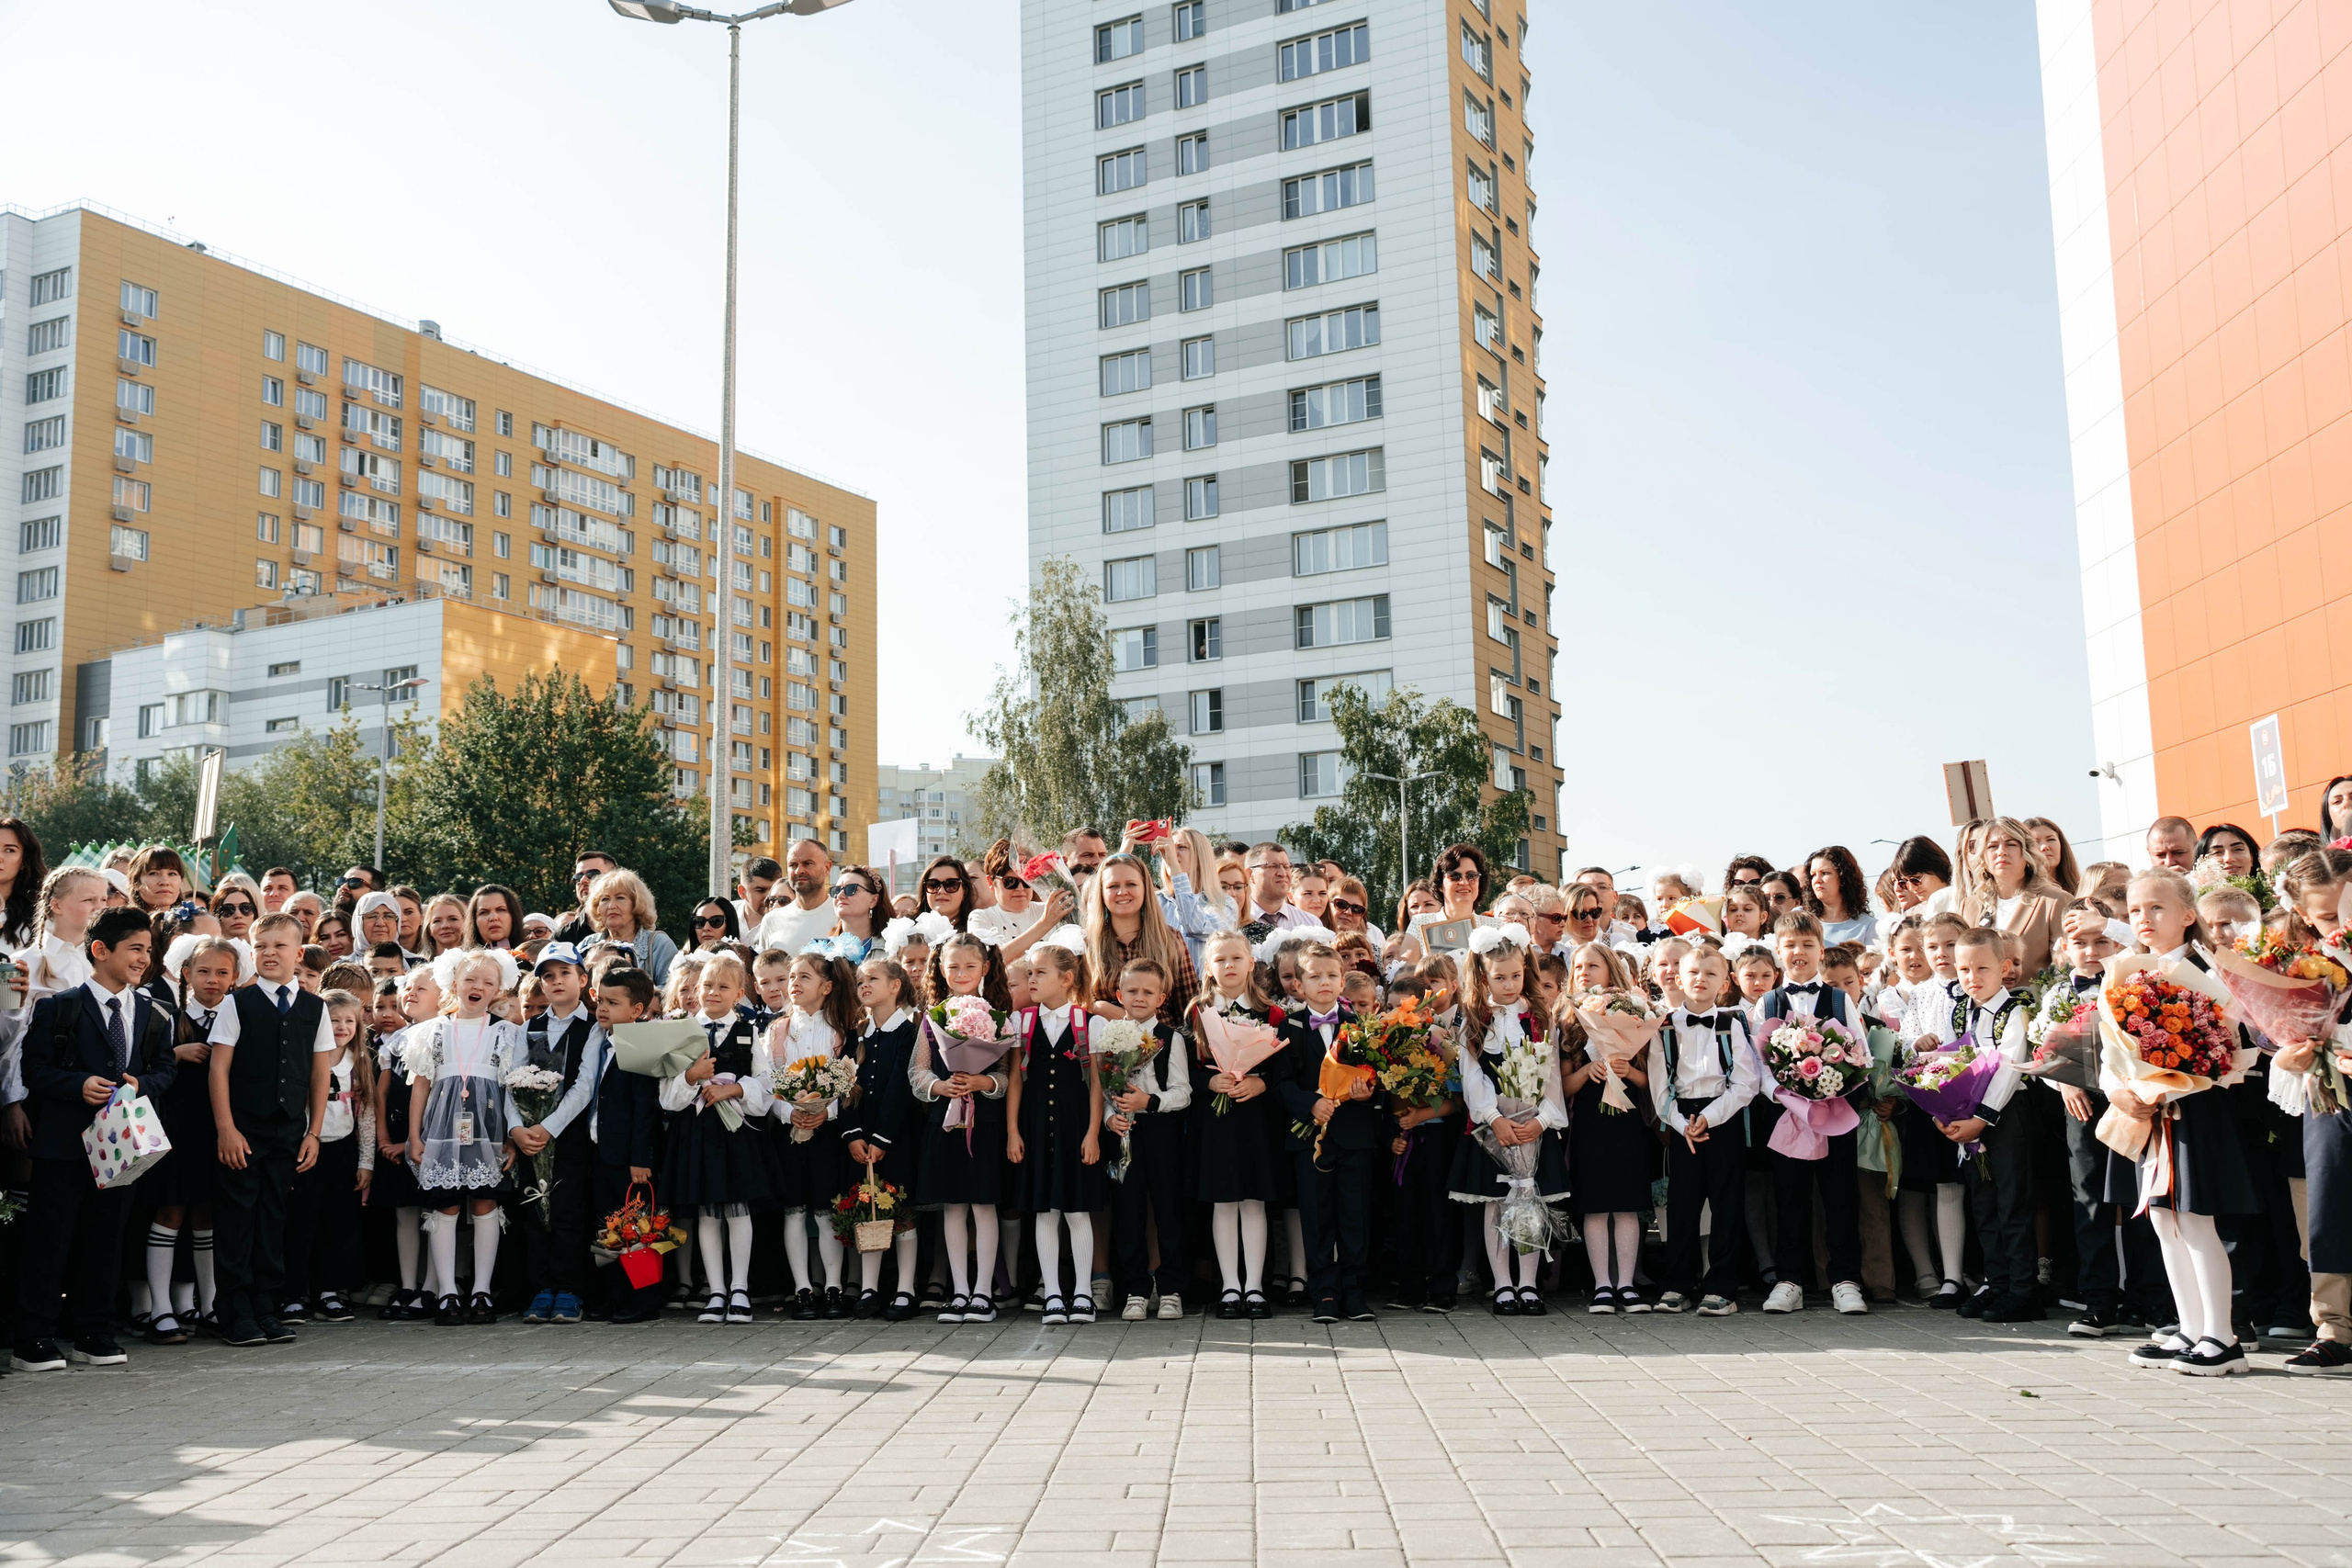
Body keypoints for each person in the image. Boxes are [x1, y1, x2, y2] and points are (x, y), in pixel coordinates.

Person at [10, 907, 175, 1372]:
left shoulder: (152, 1011)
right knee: (50, 1239)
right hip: (63, 1145)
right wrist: (76, 1085)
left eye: (148, 949)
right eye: (135, 949)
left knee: (106, 1239)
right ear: (101, 950)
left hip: (122, 1147)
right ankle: (34, 1337)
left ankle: (94, 1331)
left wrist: (143, 1085)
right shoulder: (59, 1006)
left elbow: (165, 1068)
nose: (143, 958)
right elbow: (34, 1070)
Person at [2109, 868, 2258, 1375]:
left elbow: (2231, 1044)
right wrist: (2124, 1089)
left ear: (2187, 915)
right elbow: (2111, 1048)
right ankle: (2190, 1327)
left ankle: (2223, 1335)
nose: (2144, 919)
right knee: (2162, 1219)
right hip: (2154, 1113)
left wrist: (2188, 1072)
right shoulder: (2127, 972)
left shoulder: (2207, 972)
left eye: (2156, 908)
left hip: (2195, 1111)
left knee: (2196, 1220)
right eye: (2134, 911)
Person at [207, 912, 336, 1349]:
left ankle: (267, 1306)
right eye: (261, 946)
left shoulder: (315, 1007)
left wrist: (313, 1132)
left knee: (273, 1219)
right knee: (237, 1220)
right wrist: (226, 1128)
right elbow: (219, 1067)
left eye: (279, 946)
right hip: (242, 1130)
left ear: (298, 954)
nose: (269, 953)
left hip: (288, 1133)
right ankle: (235, 1313)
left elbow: (321, 1075)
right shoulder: (236, 1002)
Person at [1447, 924, 1567, 1316]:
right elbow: (1472, 1076)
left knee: (1529, 1199)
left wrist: (1544, 1120)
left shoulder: (1539, 1018)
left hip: (1533, 1125)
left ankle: (1529, 1284)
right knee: (1497, 1204)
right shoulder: (1475, 1018)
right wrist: (1494, 1118)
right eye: (1500, 977)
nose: (1510, 984)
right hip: (1492, 1131)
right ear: (1484, 976)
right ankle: (1502, 1284)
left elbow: (1551, 1075)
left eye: (1516, 975)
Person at [1756, 908, 1870, 1316]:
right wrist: (1785, 1097)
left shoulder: (1840, 999)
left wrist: (1835, 1085)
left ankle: (1845, 1280)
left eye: (1807, 945)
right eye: (1790, 946)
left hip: (1835, 1116)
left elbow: (1861, 1054)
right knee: (1790, 1198)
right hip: (1788, 1118)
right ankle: (1790, 1281)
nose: (1798, 952)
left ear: (1821, 951)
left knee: (1840, 1197)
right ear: (1778, 951)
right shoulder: (1767, 1002)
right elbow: (1758, 1064)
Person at [661, 950, 781, 1325]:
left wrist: (735, 1090)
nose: (712, 992)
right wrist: (692, 1077)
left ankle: (740, 1288)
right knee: (707, 1212)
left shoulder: (749, 1033)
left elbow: (767, 1086)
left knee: (738, 1210)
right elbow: (667, 1096)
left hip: (736, 1134)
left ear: (739, 993)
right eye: (707, 985)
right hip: (696, 1133)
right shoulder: (680, 1032)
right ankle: (715, 1290)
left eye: (723, 987)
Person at [2268, 849, 2352, 1374]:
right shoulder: (2295, 964)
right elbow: (2270, 1030)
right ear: (2302, 916)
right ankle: (2334, 1326)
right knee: (2330, 1201)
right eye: (2326, 919)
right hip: (2330, 1094)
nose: (2342, 927)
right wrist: (2287, 1052)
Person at [1929, 928, 2038, 1321]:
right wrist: (1947, 1111)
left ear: (2005, 967)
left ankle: (2024, 1289)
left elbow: (2009, 1068)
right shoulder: (1961, 1010)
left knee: (2012, 1202)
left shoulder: (2016, 1009)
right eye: (1964, 970)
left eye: (1982, 968)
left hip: (2006, 1115)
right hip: (1967, 1116)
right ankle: (1997, 1281)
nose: (1972, 977)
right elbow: (1949, 1061)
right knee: (1984, 1203)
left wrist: (1980, 1119)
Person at [1648, 943, 1758, 1316]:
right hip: (1681, 1123)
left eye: (1710, 974)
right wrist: (1682, 1125)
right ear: (1678, 978)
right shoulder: (1663, 1027)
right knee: (1682, 1206)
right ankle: (1677, 1284)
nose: (1701, 979)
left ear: (1724, 983)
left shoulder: (1732, 1023)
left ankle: (1721, 1287)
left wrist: (1708, 1118)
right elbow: (1659, 1088)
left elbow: (1746, 1084)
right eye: (1693, 972)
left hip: (1721, 1119)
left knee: (1726, 1205)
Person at [141, 934, 241, 1342]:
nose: (212, 980)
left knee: (207, 1215)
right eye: (203, 971)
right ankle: (160, 1309)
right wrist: (177, 1054)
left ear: (235, 977)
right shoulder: (167, 1015)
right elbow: (144, 1065)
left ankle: (211, 1304)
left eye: (222, 973)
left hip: (219, 1132)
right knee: (170, 1212)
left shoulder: (238, 1016)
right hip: (175, 1130)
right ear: (186, 973)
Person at [913, 931, 1015, 1323]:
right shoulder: (931, 1016)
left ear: (985, 968)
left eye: (970, 966)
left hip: (984, 1123)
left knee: (984, 1205)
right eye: (953, 966)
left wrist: (983, 1083)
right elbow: (917, 1069)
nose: (961, 973)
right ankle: (959, 1291)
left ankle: (983, 1293)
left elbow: (1005, 1076)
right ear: (940, 967)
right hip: (945, 1121)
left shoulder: (999, 1015)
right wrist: (940, 1086)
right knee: (952, 1207)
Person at [1276, 941, 1379, 1324]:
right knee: (1316, 1217)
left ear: (1342, 981)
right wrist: (1309, 1103)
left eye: (1331, 975)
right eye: (1314, 976)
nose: (1324, 982)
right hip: (1309, 1137)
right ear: (1299, 985)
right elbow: (1281, 1083)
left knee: (1354, 1214)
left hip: (1354, 1135)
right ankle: (1324, 1293)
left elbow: (1374, 1077)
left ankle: (1354, 1292)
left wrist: (1366, 1092)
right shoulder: (1289, 1027)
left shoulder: (1359, 1027)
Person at [1008, 939, 1106, 1325]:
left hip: (1074, 1125)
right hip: (1034, 1126)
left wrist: (1093, 1133)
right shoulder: (1023, 1021)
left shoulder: (1088, 1022)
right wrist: (1013, 1131)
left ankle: (1082, 1292)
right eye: (1029, 973)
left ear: (1066, 979)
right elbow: (1016, 1079)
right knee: (1044, 1213)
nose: (1031, 979)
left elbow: (1096, 1084)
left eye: (1039, 973)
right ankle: (1052, 1293)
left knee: (1077, 1211)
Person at [1190, 928, 1284, 1319]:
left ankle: (1255, 1286)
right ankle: (1230, 1285)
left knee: (1254, 1201)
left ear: (1251, 963)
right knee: (1224, 1202)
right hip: (1216, 1119)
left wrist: (1262, 1082)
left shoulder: (1273, 1013)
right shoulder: (1198, 1012)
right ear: (1209, 968)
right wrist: (1209, 1080)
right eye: (1220, 959)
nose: (1228, 965)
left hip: (1256, 1120)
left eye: (1236, 958)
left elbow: (1284, 1069)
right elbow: (1187, 1069)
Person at [770, 952, 863, 1321]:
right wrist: (786, 1111)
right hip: (788, 1131)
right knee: (794, 1212)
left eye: (804, 977)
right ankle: (803, 1289)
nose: (793, 983)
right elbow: (768, 1080)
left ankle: (834, 1287)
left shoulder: (840, 1031)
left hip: (828, 1133)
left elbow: (849, 1082)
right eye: (791, 976)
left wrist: (828, 1111)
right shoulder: (778, 1030)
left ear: (826, 987)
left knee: (826, 1213)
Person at [1563, 942, 1653, 1313]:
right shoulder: (1568, 1021)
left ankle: (1627, 1284)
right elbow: (1563, 1086)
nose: (1584, 971)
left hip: (1628, 1120)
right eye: (1578, 966)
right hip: (1589, 1121)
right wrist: (1587, 1070)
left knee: (1627, 1205)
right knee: (1596, 1205)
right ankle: (1602, 1284)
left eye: (1593, 965)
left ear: (1612, 970)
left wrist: (1627, 1070)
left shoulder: (1634, 1013)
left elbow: (1652, 1081)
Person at [511, 944, 598, 1325]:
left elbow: (584, 1085)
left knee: (568, 1213)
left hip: (569, 1137)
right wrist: (517, 1129)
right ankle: (540, 1288)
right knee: (535, 1212)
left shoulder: (593, 1027)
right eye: (548, 976)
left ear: (582, 979)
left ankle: (570, 1289)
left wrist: (549, 1127)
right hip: (530, 1138)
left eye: (565, 973)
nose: (557, 981)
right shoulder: (528, 1028)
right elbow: (510, 1082)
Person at [1101, 956, 1191, 1321]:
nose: (1139, 997)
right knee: (1127, 1212)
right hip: (1124, 1133)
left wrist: (1149, 1102)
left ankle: (1170, 1289)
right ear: (1119, 994)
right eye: (1132, 990)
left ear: (1161, 998)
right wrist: (1110, 1119)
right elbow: (1103, 1092)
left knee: (1168, 1211)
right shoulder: (1108, 1036)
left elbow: (1184, 1092)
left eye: (1148, 992)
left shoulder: (1171, 1038)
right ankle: (1135, 1290)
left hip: (1162, 1132)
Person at [281, 988, 374, 1326]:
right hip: (308, 1148)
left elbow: (366, 1116)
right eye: (334, 1020)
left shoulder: (360, 1062)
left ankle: (330, 1292)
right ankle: (294, 1293)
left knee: (338, 1224)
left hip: (342, 1150)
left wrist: (366, 1163)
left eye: (349, 1020)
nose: (342, 1026)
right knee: (301, 1222)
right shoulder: (307, 1057)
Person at [842, 957, 922, 1320]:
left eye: (873, 978)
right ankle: (870, 1287)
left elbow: (900, 1089)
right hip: (864, 1143)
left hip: (897, 1138)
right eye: (861, 980)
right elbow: (846, 1087)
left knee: (900, 1211)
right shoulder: (857, 1034)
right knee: (868, 1208)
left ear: (895, 986)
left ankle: (906, 1288)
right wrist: (853, 1135)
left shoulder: (908, 1032)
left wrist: (881, 1137)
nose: (864, 985)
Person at [1965, 817, 2070, 976]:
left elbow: (2066, 964)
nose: (2002, 852)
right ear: (1983, 859)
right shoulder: (1971, 906)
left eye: (2011, 844)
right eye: (1992, 847)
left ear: (2028, 852)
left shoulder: (2055, 901)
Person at [968, 841, 1070, 964]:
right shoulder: (981, 917)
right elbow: (990, 962)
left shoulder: (1050, 911)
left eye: (1027, 881)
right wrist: (1045, 923)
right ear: (991, 882)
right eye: (1010, 882)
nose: (1020, 888)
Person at [581, 869, 677, 987]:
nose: (611, 906)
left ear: (637, 903)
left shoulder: (658, 944)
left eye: (620, 898)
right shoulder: (587, 944)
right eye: (605, 899)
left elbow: (670, 991)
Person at [755, 839, 837, 954]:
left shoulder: (843, 915)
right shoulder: (772, 920)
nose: (799, 871)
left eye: (807, 864)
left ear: (827, 868)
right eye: (793, 865)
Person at [807, 864, 891, 966]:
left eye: (851, 889)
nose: (840, 896)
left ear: (873, 900)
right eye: (836, 890)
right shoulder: (819, 951)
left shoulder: (894, 948)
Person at [1803, 847, 1876, 947]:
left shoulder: (1869, 926)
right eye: (1813, 875)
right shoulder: (1800, 919)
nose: (1817, 880)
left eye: (1825, 873)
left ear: (1843, 877)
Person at [1238, 843, 1314, 940]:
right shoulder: (1234, 925)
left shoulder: (1310, 924)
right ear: (1250, 874)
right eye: (1273, 866)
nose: (1282, 873)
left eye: (1286, 866)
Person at [466, 885, 525, 951]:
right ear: (474, 920)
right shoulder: (461, 959)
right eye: (484, 912)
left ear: (513, 915)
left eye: (501, 910)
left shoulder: (534, 956)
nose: (493, 918)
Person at [734, 855, 783, 935]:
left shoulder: (790, 921)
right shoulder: (721, 916)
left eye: (773, 890)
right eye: (761, 890)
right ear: (742, 892)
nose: (769, 897)